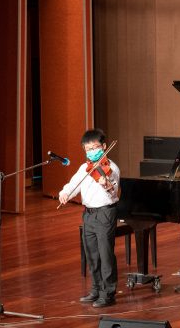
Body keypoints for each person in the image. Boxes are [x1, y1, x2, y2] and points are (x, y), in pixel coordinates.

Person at [58, 128, 121, 308]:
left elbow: (113, 192)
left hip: (105, 213)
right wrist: (65, 193)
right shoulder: (84, 168)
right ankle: (96, 289)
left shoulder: (112, 168)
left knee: (105, 254)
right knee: (91, 253)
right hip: (88, 214)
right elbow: (73, 184)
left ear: (104, 146)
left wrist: (105, 184)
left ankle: (108, 293)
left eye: (95, 148)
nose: (92, 152)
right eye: (88, 149)